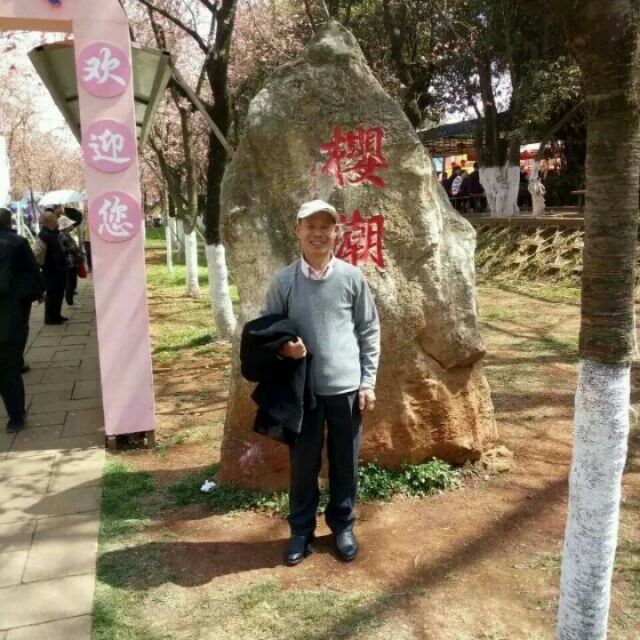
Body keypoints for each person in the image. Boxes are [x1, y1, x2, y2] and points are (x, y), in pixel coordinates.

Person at [262, 199, 380, 565]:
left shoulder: (351, 278)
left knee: (346, 463)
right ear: (297, 230)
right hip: (304, 394)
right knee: (304, 465)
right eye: (310, 226)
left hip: (346, 390)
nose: (318, 233)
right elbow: (266, 331)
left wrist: (367, 381)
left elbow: (369, 329)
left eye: (325, 226)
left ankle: (342, 526)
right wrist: (284, 348)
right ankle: (301, 530)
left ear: (335, 232)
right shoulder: (284, 281)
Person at [0, 207, 45, 432]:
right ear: (9, 221)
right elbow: (32, 268)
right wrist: (40, 290)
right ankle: (15, 417)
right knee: (9, 368)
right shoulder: (18, 242)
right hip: (11, 310)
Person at [38, 211, 67, 324]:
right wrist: (42, 265)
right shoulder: (43, 234)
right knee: (52, 294)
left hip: (59, 267)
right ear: (49, 221)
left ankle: (57, 315)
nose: (56, 220)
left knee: (59, 292)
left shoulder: (54, 232)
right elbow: (39, 253)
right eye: (54, 218)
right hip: (50, 269)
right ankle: (50, 318)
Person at [58, 215, 84, 308]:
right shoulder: (63, 235)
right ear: (65, 226)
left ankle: (71, 301)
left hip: (70, 262)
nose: (71, 226)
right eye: (69, 225)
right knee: (70, 282)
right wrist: (79, 253)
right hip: (69, 262)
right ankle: (70, 302)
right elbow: (71, 248)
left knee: (71, 282)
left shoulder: (64, 234)